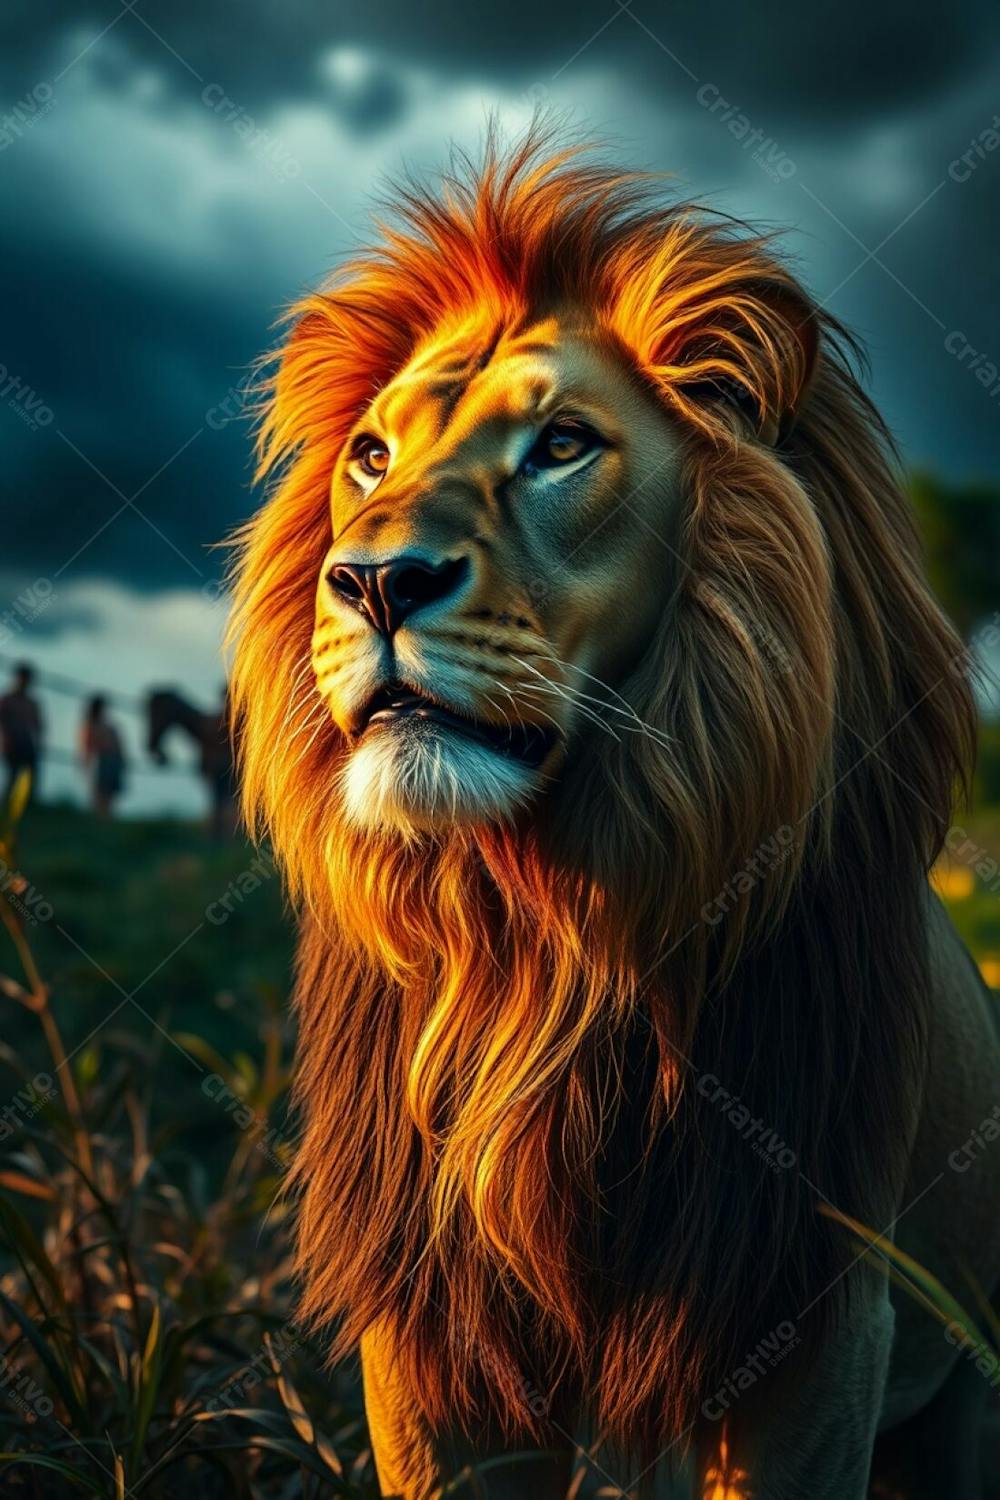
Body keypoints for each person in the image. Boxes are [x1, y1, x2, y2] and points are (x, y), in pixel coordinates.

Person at [0, 662, 43, 805]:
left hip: (26, 743)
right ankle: (10, 805)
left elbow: (38, 725)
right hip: (12, 742)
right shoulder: (8, 700)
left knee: (29, 776)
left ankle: (24, 805)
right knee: (13, 776)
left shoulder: (31, 703)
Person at [79, 695, 126, 818]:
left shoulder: (110, 726)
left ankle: (105, 818)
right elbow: (87, 746)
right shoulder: (91, 725)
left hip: (112, 761)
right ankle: (100, 818)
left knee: (109, 795)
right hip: (100, 761)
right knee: (100, 794)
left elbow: (119, 746)